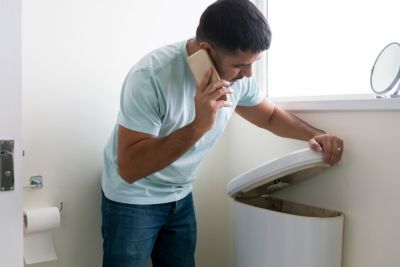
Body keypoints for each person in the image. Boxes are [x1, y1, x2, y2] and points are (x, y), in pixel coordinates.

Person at [101, 0, 344, 266]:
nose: (249, 73)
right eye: (241, 65)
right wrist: (199, 126)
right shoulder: (150, 77)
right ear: (206, 50)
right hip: (133, 199)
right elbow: (130, 168)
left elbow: (270, 116)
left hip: (180, 196)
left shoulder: (238, 78)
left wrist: (316, 134)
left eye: (254, 63)